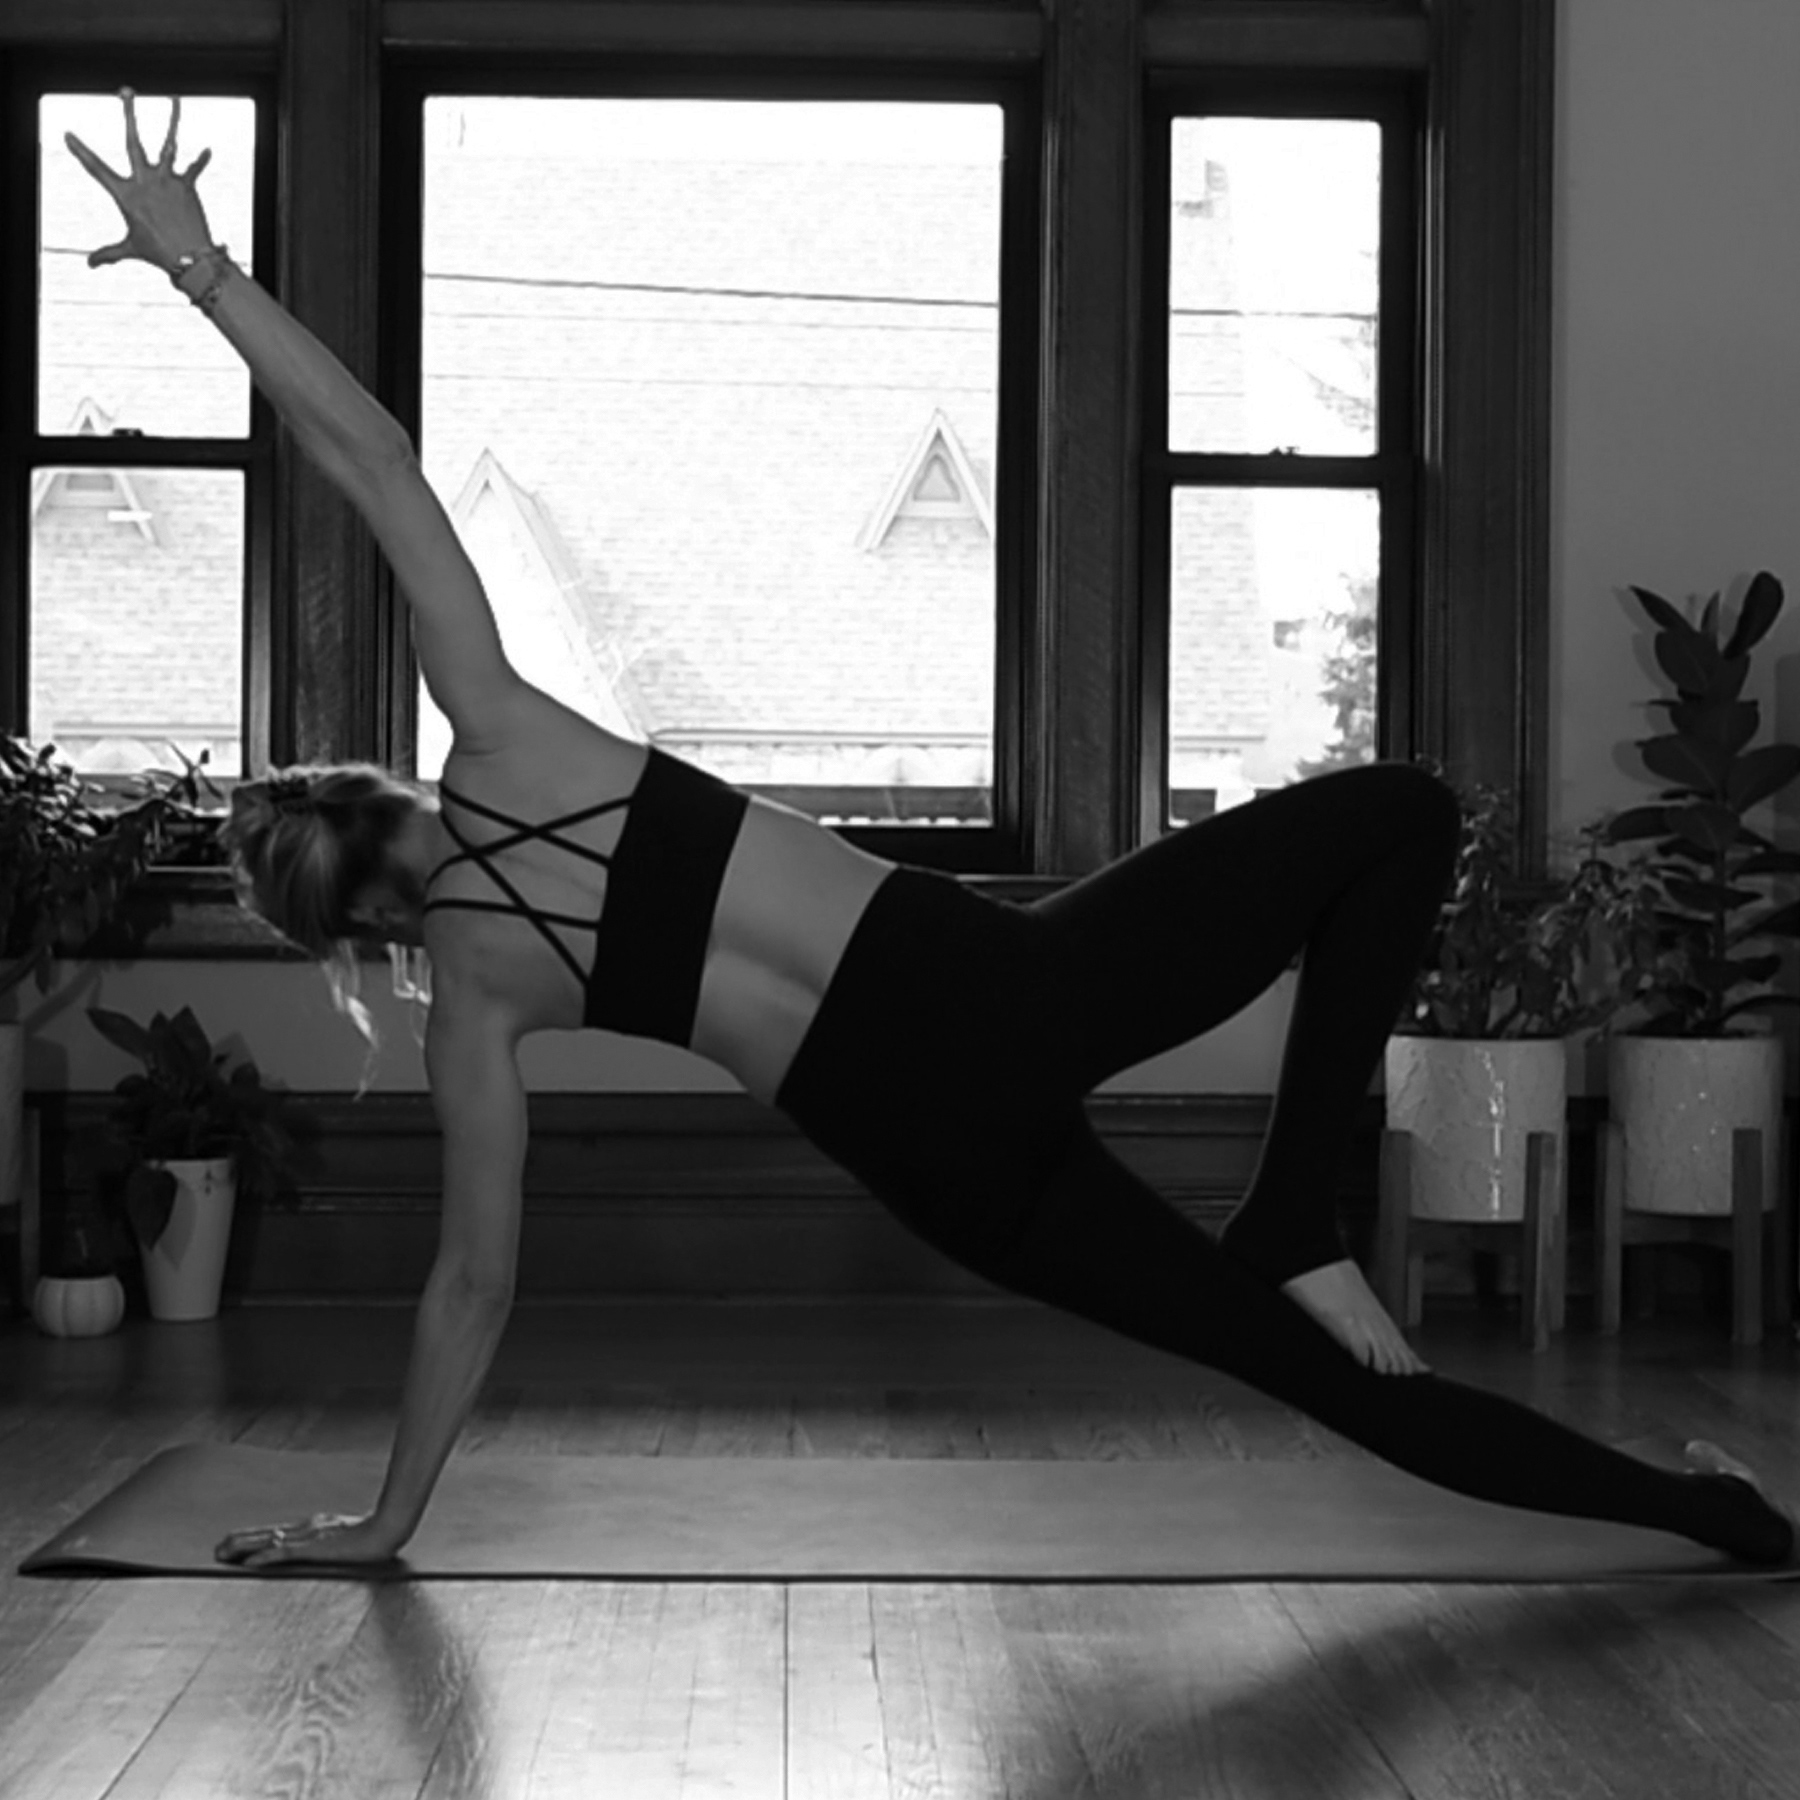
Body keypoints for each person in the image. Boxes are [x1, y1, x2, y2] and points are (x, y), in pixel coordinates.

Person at [68, 92, 1795, 1573]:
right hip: (997, 996)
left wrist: (384, 1523)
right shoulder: (507, 733)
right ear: (380, 789)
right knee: (1403, 813)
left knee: (1323, 1384)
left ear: (354, 930)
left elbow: (471, 1286)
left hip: (937, 1161)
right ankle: (1300, 1217)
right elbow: (374, 460)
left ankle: (1720, 1522)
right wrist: (205, 271)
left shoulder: (471, 1008)